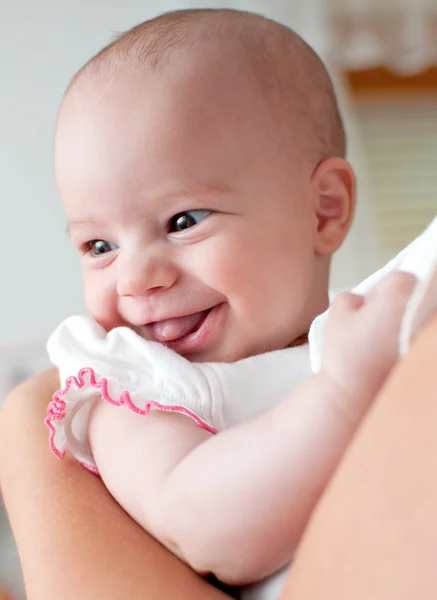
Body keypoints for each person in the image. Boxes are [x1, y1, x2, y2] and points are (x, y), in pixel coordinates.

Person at [1, 7, 437, 600]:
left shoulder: (369, 320)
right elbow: (207, 531)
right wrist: (342, 394)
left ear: (324, 210)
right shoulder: (133, 387)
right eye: (99, 245)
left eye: (182, 221)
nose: (137, 278)